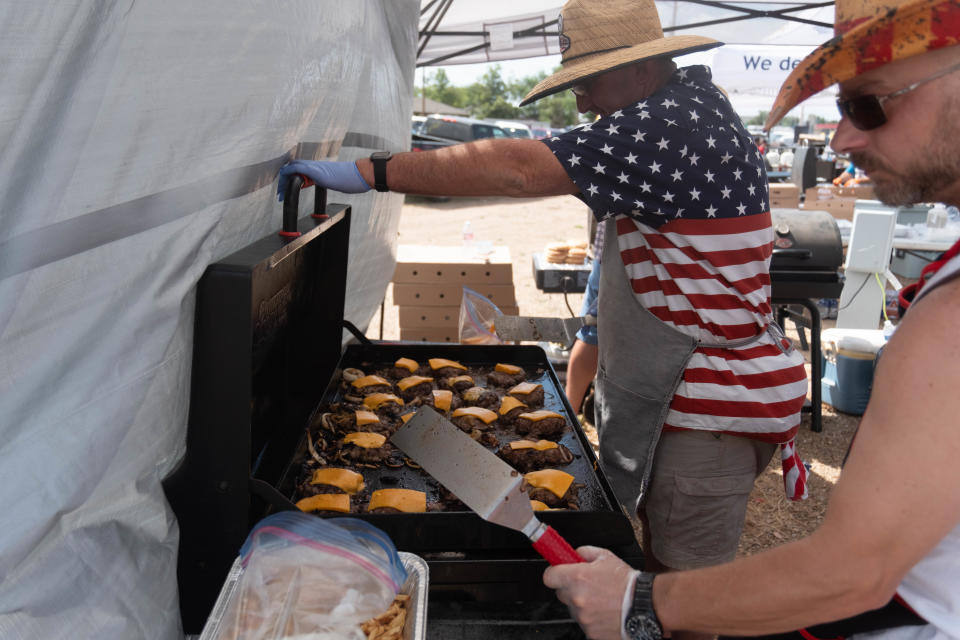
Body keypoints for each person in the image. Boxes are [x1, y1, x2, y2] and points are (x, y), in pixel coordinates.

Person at [277, 0, 810, 613]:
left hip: (710, 407)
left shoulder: (673, 126)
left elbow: (519, 171)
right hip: (683, 395)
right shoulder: (682, 111)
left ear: (643, 69)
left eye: (588, 81)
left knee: (683, 597)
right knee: (655, 573)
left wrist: (373, 171)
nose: (581, 102)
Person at [543, 1, 960, 638]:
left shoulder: (949, 321)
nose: (842, 138)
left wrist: (639, 601)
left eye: (869, 104)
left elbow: (853, 571)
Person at [564, 219, 602, 416]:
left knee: (593, 331)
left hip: (612, 251)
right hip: (616, 253)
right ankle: (569, 416)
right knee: (593, 330)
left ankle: (569, 414)